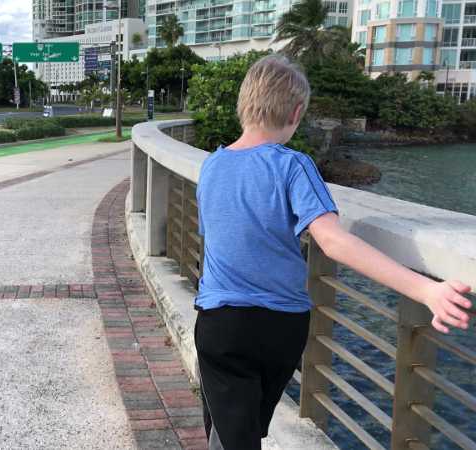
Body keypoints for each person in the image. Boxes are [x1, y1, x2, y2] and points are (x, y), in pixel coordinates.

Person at [193, 55, 471, 450]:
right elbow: (333, 240)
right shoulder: (294, 165)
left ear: (243, 103)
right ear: (296, 112)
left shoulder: (212, 166)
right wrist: (425, 289)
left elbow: (222, 238)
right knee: (244, 431)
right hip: (280, 328)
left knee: (232, 434)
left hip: (220, 323)